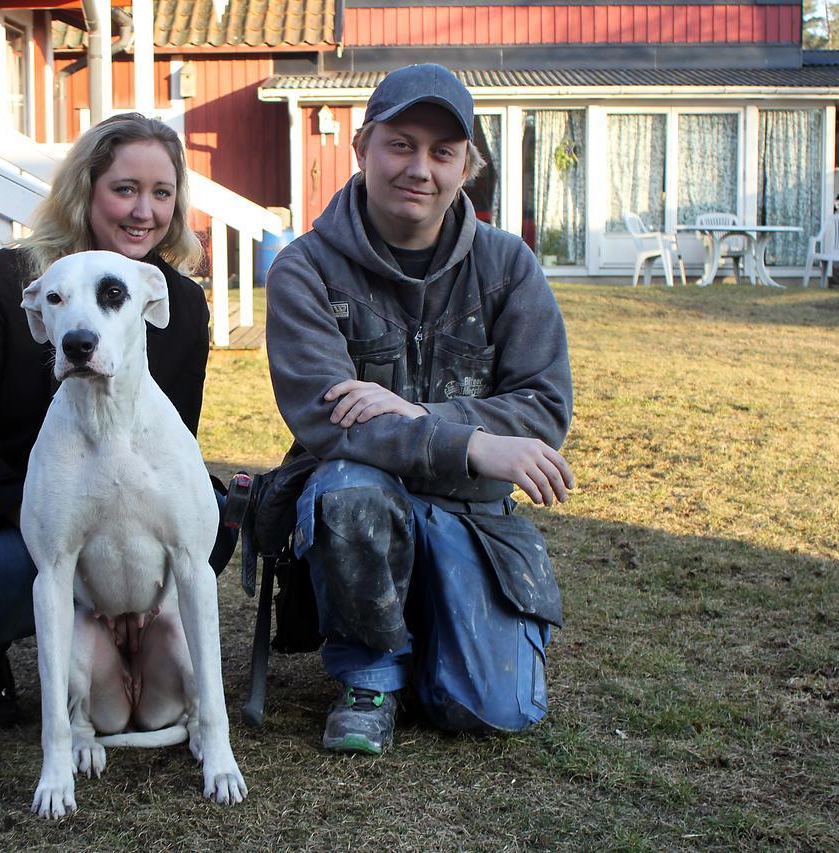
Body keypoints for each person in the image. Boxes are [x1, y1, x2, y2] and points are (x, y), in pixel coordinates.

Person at [0, 113, 227, 727]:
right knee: (6, 572)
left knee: (210, 519)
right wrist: (34, 508)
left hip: (99, 483)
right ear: (85, 191)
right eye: (124, 189)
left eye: (161, 193)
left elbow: (176, 438)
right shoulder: (15, 281)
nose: (144, 210)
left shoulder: (178, 303)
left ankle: (120, 641)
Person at [265, 64, 575, 754]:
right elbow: (326, 418)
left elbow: (544, 404)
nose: (420, 169)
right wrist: (471, 442)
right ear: (362, 148)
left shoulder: (509, 267)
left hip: (470, 512)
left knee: (492, 708)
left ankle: (436, 634)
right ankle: (370, 672)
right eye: (400, 144)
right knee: (348, 489)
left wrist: (409, 411)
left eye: (443, 152)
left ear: (468, 166)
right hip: (361, 502)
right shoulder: (305, 269)